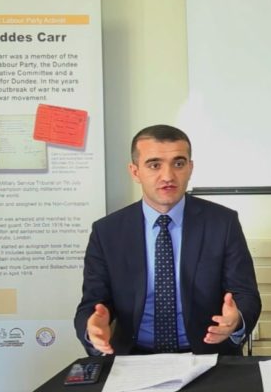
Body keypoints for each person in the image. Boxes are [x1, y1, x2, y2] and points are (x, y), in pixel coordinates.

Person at [74, 124, 261, 355]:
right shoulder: (107, 232)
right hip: (134, 356)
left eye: (178, 164)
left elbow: (245, 295)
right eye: (154, 165)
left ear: (190, 168)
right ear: (135, 172)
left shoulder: (223, 223)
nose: (168, 176)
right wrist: (93, 327)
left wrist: (236, 320)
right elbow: (92, 303)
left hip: (207, 353)